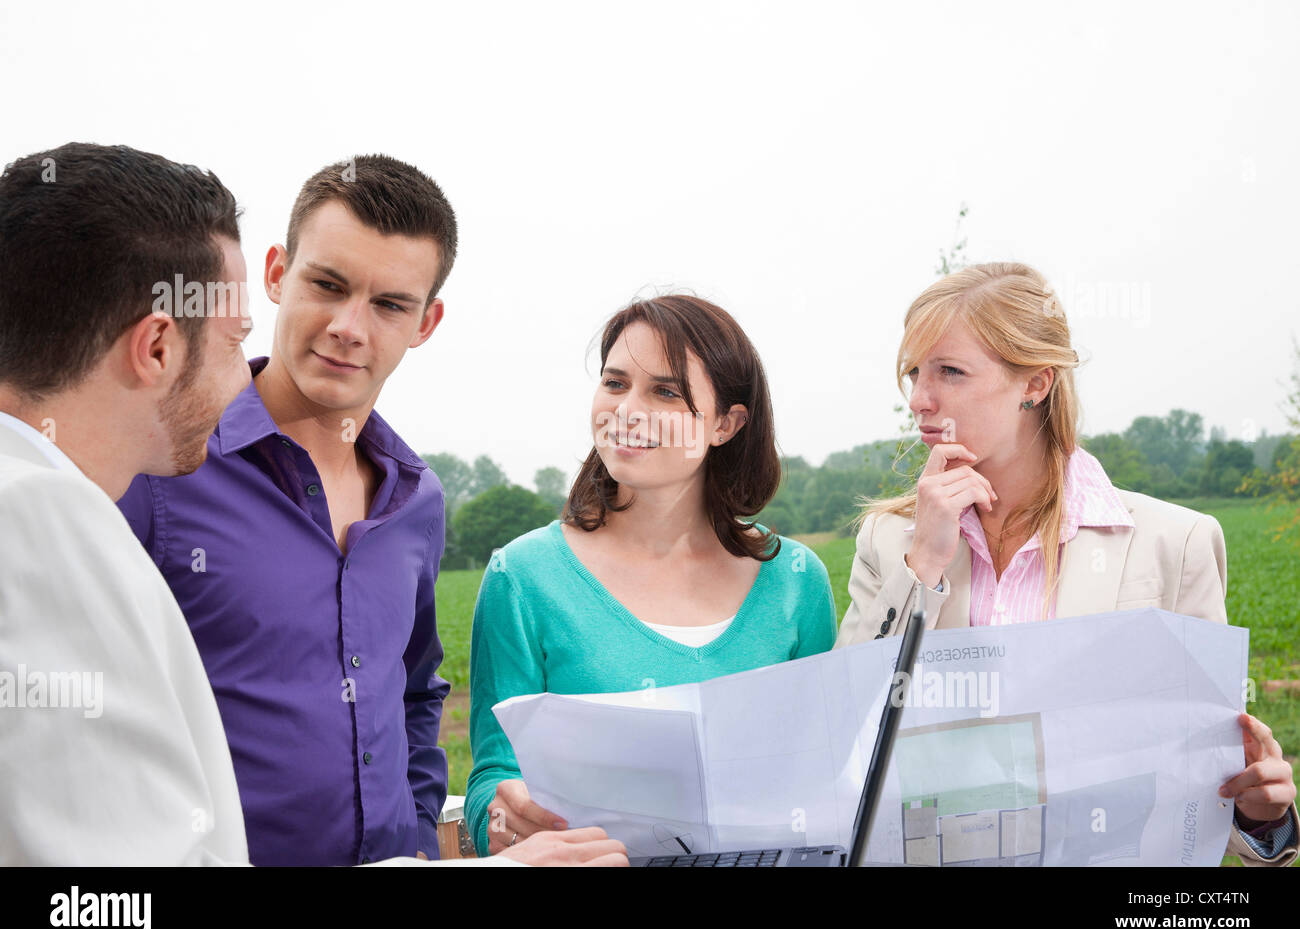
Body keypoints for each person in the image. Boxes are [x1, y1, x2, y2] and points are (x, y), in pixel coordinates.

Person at [0, 142, 618, 867]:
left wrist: (420, 838)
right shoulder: (139, 466)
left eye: (389, 304)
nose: (349, 327)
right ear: (275, 274)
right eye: (327, 284)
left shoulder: (417, 499)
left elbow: (417, 695)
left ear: (426, 322)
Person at [835, 261, 1297, 866]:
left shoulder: (1175, 544)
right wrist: (922, 564)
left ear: (1036, 383)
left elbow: (1206, 781)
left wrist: (1261, 814)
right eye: (915, 374)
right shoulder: (888, 542)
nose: (921, 399)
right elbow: (845, 731)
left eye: (950, 371)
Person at [466, 294, 838, 856]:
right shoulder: (521, 578)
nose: (627, 411)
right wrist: (501, 817)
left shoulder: (795, 580)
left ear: (726, 424)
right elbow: (492, 775)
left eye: (664, 391)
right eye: (615, 384)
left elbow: (830, 767)